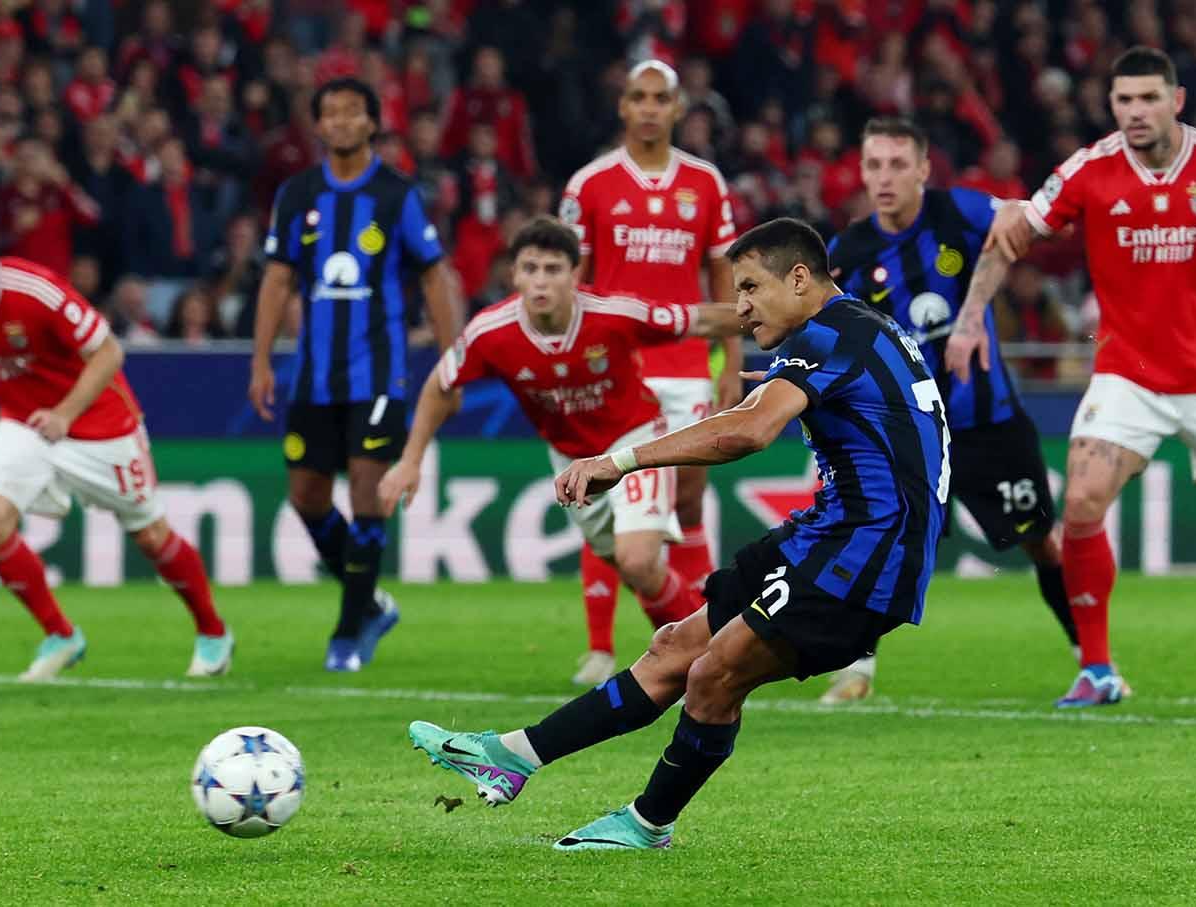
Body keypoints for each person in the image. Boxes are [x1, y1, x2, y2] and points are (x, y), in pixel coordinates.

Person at [406, 218, 949, 849]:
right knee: (673, 649)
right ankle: (513, 755)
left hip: (864, 553)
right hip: (830, 535)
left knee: (714, 675)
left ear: (799, 278)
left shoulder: (831, 334)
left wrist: (621, 460)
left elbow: (746, 432)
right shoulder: (858, 331)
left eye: (750, 286)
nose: (739, 306)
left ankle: (646, 825)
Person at [956, 46, 1196, 707]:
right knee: (1079, 505)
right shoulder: (1090, 170)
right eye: (1123, 101)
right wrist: (968, 320)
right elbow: (1011, 235)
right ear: (1111, 106)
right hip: (1128, 375)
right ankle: (1097, 668)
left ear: (1176, 100)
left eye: (1147, 98)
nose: (1134, 112)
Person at [0, 198, 233, 681]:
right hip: (26, 423)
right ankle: (61, 634)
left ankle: (214, 632)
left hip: (99, 421)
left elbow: (109, 352)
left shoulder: (34, 291)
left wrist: (65, 413)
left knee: (150, 535)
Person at [379, 217, 742, 646]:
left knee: (638, 559)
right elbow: (441, 386)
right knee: (636, 573)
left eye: (553, 269)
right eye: (529, 269)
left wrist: (772, 314)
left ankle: (708, 650)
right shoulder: (490, 333)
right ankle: (692, 646)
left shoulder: (614, 313)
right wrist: (410, 460)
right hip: (571, 461)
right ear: (513, 275)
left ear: (574, 274)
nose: (540, 282)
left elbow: (697, 321)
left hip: (635, 440)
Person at [820, 117, 1077, 703]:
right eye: (873, 166)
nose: (883, 178)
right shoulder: (850, 251)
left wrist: (1010, 213)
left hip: (985, 421)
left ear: (922, 170)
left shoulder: (956, 212)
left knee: (1042, 541)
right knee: (875, 538)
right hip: (903, 432)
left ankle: (1092, 661)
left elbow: (1019, 217)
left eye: (896, 165)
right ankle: (857, 671)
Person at [249, 77, 463, 672]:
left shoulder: (397, 194)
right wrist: (262, 359)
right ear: (318, 126)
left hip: (378, 374)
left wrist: (454, 357)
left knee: (368, 493)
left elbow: (432, 276)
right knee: (306, 497)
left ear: (372, 122)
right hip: (313, 375)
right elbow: (276, 279)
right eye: (331, 113)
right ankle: (369, 599)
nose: (342, 122)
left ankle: (348, 630)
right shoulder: (297, 193)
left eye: (353, 112)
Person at [558, 59, 741, 686]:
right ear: (623, 106)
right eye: (637, 97)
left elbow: (724, 279)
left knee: (688, 497)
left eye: (660, 98)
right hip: (615, 375)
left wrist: (731, 366)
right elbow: (571, 285)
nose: (648, 108)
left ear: (677, 107)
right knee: (605, 491)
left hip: (689, 366)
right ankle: (601, 647)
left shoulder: (706, 182)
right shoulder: (589, 186)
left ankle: (704, 631)